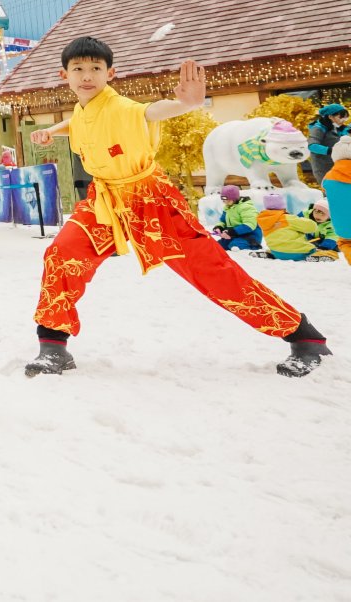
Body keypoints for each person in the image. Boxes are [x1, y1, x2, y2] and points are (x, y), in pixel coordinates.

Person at [25, 37, 329, 378]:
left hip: (151, 200)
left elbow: (150, 111)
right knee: (63, 254)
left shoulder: (123, 107)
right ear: (64, 74)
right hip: (104, 199)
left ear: (110, 73)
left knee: (211, 271)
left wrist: (186, 104)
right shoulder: (84, 109)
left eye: (95, 68)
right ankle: (52, 345)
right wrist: (52, 130)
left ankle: (303, 336)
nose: (86, 75)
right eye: (78, 68)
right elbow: (81, 122)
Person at [307, 103, 349, 184]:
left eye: (345, 118)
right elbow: (312, 145)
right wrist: (331, 150)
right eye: (340, 117)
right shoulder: (318, 128)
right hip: (324, 167)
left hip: (338, 165)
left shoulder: (339, 128)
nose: (343, 120)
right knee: (331, 188)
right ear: (330, 116)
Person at [212, 184, 263, 251]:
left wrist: (231, 231)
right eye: (222, 199)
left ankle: (253, 246)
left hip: (249, 236)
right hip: (234, 235)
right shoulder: (227, 208)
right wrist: (219, 227)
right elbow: (223, 221)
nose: (223, 201)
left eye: (225, 199)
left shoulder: (246, 207)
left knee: (234, 245)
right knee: (218, 246)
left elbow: (249, 225)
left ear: (232, 199)